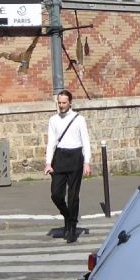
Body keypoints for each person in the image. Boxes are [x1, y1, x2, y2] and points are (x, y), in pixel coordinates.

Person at [44, 89, 92, 242]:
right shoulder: (53, 120)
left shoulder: (79, 119)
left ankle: (72, 228)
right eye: (59, 103)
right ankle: (67, 216)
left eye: (64, 103)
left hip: (75, 157)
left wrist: (87, 162)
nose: (61, 105)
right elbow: (51, 142)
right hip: (59, 157)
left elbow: (85, 141)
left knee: (73, 195)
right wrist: (48, 162)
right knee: (56, 194)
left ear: (70, 103)